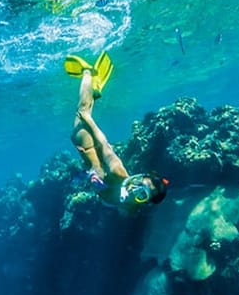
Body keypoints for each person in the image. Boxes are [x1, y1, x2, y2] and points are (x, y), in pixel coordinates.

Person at [65, 51, 169, 211]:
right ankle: (88, 72)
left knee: (84, 111)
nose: (134, 190)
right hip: (87, 143)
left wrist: (91, 179)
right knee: (82, 109)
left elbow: (107, 196)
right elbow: (104, 144)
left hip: (86, 157)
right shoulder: (118, 172)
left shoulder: (129, 208)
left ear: (144, 203)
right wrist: (89, 119)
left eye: (142, 194)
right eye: (139, 184)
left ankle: (95, 88)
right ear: (139, 177)